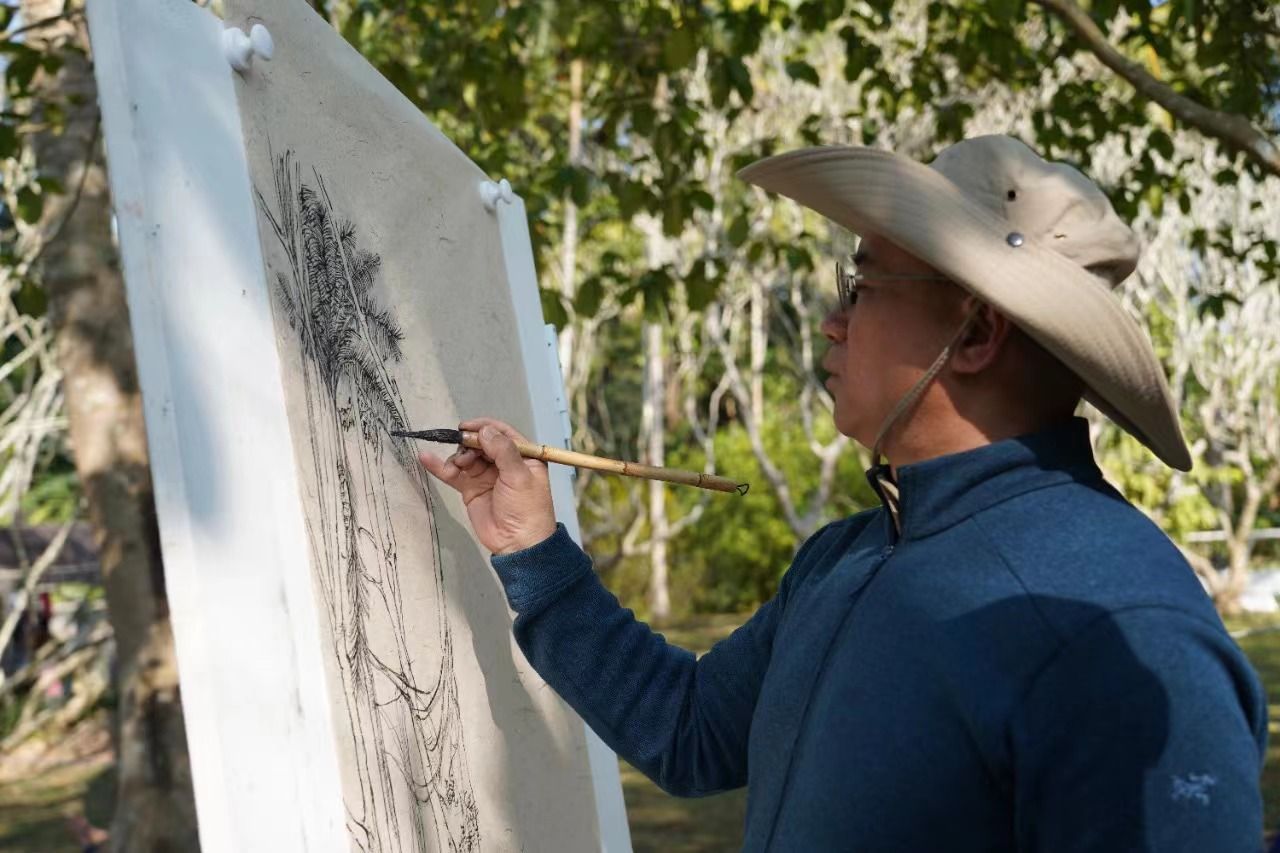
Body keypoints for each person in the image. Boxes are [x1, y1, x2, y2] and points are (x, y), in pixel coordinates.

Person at [419, 135, 1267, 850]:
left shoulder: (1116, 630)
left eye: (861, 285)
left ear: (974, 332)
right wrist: (533, 550)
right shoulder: (850, 554)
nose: (833, 320)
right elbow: (690, 731)